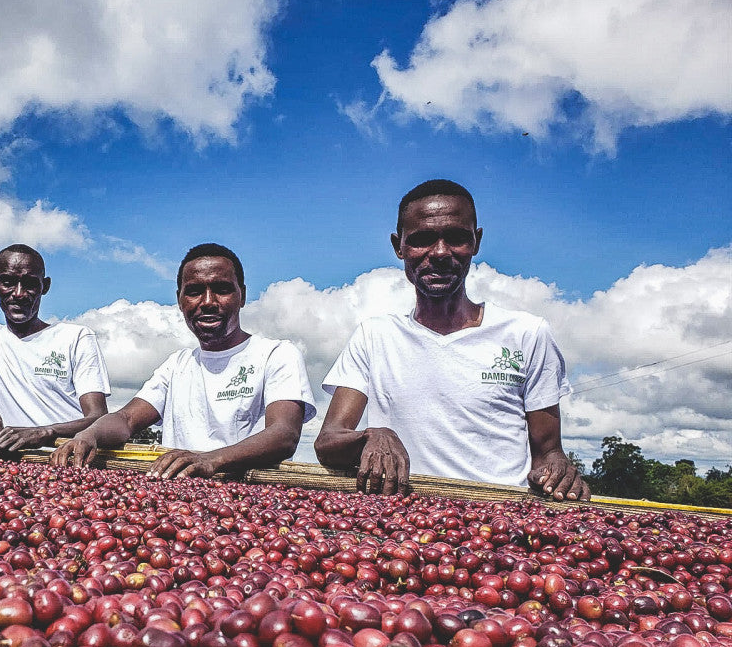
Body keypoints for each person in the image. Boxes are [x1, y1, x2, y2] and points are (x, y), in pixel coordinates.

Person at [314, 179, 589, 500]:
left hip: (498, 520)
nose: (440, 252)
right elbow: (328, 441)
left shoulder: (527, 334)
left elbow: (548, 453)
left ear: (476, 241)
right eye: (422, 240)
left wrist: (558, 472)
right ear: (398, 247)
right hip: (399, 516)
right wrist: (371, 437)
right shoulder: (374, 336)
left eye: (457, 238)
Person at [52, 243, 315, 478]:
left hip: (249, 498)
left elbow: (284, 434)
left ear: (242, 296)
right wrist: (90, 434)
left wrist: (211, 460)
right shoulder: (176, 365)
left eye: (222, 290)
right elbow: (126, 419)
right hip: (180, 500)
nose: (208, 302)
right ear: (180, 300)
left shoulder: (276, 354)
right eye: (195, 291)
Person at [0, 244, 110, 453]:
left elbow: (98, 418)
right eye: (8, 282)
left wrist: (45, 433)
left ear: (45, 286)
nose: (19, 293)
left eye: (30, 284)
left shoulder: (76, 338)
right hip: (7, 463)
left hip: (65, 459)